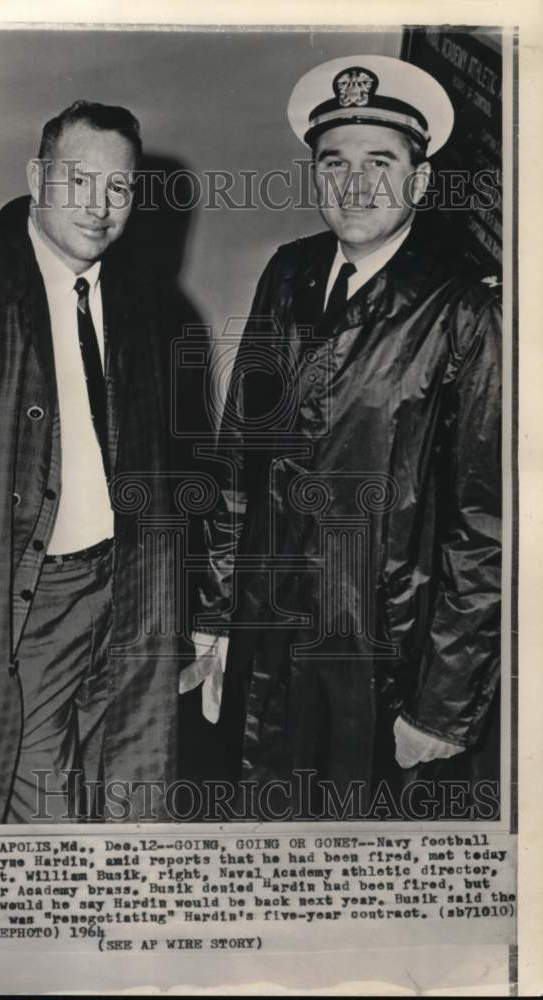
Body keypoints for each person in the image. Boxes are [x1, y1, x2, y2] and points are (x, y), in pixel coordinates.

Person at [188, 55, 502, 819]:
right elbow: (239, 461)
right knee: (266, 836)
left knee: (364, 855)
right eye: (335, 163)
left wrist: (443, 707)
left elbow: (486, 526)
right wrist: (214, 620)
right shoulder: (287, 274)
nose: (354, 185)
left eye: (380, 162)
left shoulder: (463, 309)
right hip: (271, 635)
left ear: (420, 182)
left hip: (386, 654)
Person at [0, 100, 180, 824]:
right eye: (79, 180)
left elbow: (174, 472)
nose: (99, 206)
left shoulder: (146, 302)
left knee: (130, 799)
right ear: (37, 179)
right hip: (26, 602)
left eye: (119, 187)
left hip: (128, 591)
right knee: (43, 818)